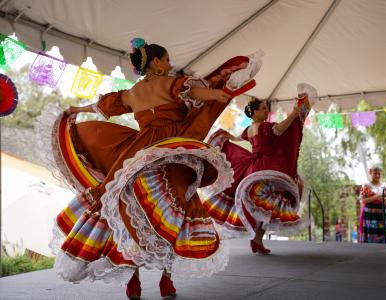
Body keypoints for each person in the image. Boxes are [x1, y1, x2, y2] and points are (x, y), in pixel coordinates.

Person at [49, 38, 261, 299]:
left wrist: (74, 110)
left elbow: (100, 106)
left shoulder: (132, 93)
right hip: (169, 151)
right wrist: (216, 95)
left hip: (136, 153)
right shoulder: (169, 83)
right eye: (167, 59)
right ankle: (166, 281)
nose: (170, 64)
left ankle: (133, 280)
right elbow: (193, 93)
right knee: (174, 214)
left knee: (125, 209)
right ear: (157, 62)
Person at [203, 91, 311, 254]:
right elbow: (280, 130)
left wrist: (225, 136)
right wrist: (294, 113)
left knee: (264, 208)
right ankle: (256, 239)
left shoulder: (248, 129)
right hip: (266, 168)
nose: (266, 111)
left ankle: (257, 240)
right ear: (254, 113)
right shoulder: (266, 127)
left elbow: (237, 138)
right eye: (262, 109)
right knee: (269, 206)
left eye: (266, 108)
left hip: (253, 169)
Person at [359, 166, 386, 243]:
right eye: (375, 173)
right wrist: (376, 196)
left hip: (382, 212)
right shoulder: (366, 185)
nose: (377, 175)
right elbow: (363, 200)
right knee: (371, 232)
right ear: (370, 173)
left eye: (379, 173)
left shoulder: (385, 186)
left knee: (383, 232)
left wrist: (378, 198)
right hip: (370, 212)